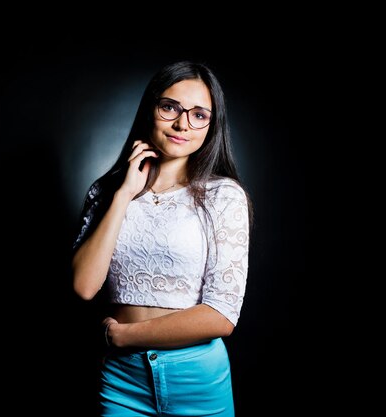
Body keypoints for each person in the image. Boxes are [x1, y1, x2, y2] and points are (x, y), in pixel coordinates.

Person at [72, 61, 252, 417]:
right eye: (170, 107)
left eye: (199, 115)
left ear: (212, 125)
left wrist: (122, 337)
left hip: (196, 379)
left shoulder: (223, 196)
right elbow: (84, 286)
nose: (182, 123)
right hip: (122, 381)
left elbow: (222, 316)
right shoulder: (107, 192)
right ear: (151, 107)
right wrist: (124, 195)